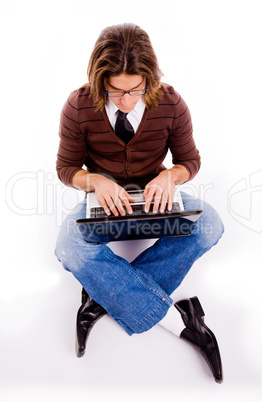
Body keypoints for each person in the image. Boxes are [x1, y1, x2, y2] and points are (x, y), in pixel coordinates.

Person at [55, 23, 224, 383]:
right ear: (100, 81)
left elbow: (189, 161)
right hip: (103, 202)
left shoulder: (171, 102)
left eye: (136, 89)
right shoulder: (79, 105)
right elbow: (65, 168)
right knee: (69, 250)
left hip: (155, 198)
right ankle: (182, 321)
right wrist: (96, 181)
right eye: (115, 91)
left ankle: (99, 299)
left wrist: (170, 177)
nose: (127, 100)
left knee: (210, 224)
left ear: (149, 78)